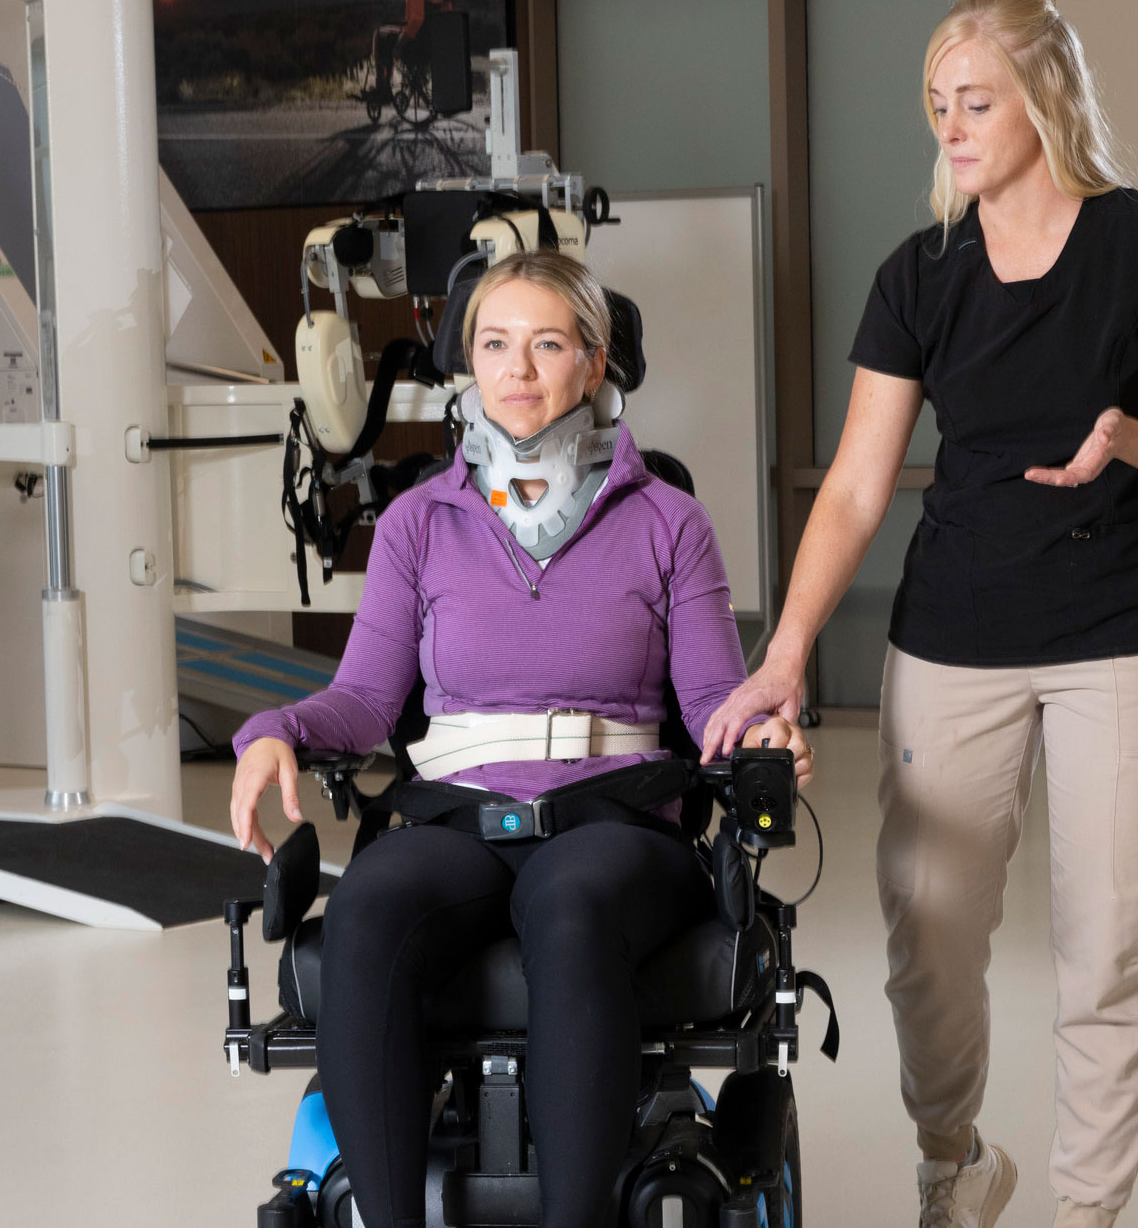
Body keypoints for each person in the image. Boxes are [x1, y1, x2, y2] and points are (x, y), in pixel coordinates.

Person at [702, 0, 1138, 1228]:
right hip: (951, 635)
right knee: (927, 947)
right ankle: (953, 1161)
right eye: (935, 106)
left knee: (1108, 959)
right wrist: (784, 653)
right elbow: (851, 484)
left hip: (1130, 631)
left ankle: (1083, 1214)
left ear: (1044, 97)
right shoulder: (922, 273)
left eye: (975, 100)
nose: (949, 126)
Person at [230, 251, 812, 1228]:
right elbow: (365, 700)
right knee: (369, 904)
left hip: (616, 819)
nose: (519, 369)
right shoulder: (421, 520)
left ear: (594, 363)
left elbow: (714, 694)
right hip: (456, 813)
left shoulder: (666, 521)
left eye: (547, 344)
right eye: (495, 345)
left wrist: (758, 730)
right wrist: (270, 732)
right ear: (468, 363)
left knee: (568, 897)